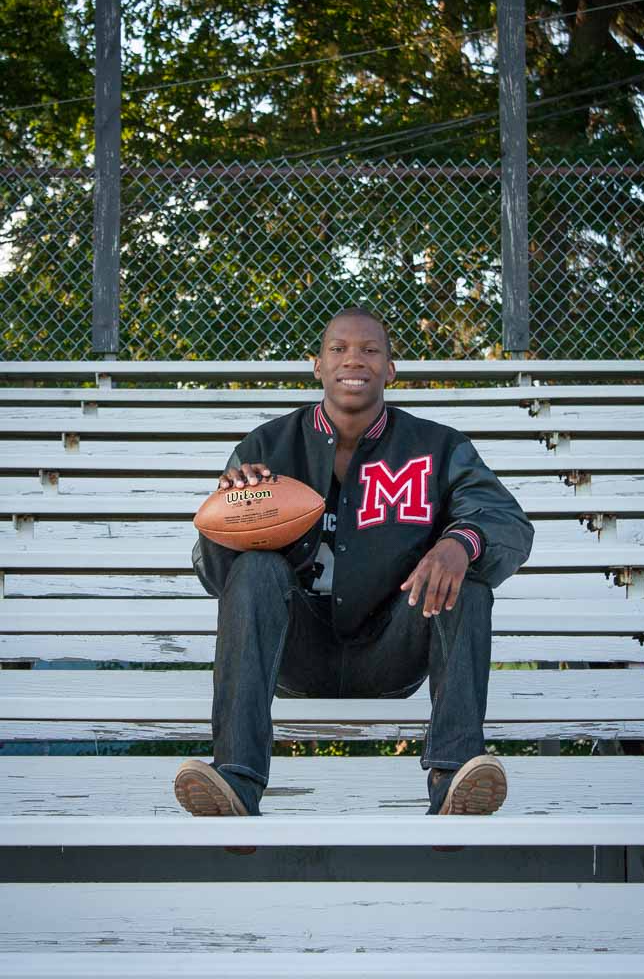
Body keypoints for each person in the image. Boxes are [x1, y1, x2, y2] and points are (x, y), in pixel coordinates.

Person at [174, 306, 535, 828]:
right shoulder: (266, 447)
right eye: (338, 348)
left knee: (466, 583)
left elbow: (508, 524)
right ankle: (235, 779)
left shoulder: (438, 447)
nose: (354, 360)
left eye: (370, 350)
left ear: (391, 369)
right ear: (317, 366)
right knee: (254, 570)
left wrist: (460, 542)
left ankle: (454, 779)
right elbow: (216, 578)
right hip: (296, 652)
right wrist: (228, 517)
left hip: (392, 648)